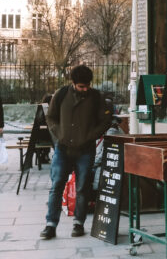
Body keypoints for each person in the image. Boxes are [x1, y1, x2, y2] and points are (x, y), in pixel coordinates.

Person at [40, 64, 115, 239]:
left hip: (85, 149)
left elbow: (105, 120)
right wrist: (60, 134)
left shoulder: (96, 97)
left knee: (83, 187)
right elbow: (50, 117)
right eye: (81, 86)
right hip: (63, 148)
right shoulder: (61, 94)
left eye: (87, 85)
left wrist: (91, 136)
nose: (85, 89)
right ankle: (50, 225)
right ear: (73, 83)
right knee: (56, 185)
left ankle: (78, 223)